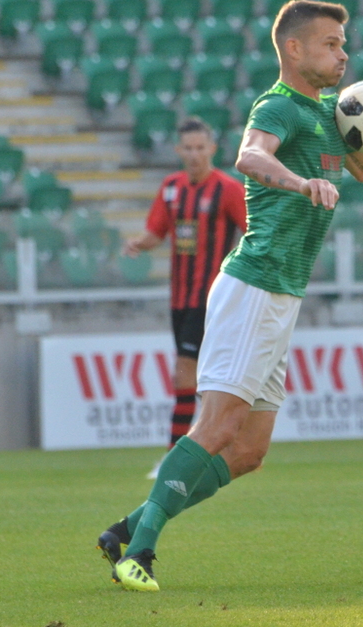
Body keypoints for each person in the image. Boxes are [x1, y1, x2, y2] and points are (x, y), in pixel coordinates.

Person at [96, 0, 363, 592]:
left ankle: (125, 528)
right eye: (333, 44)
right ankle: (142, 553)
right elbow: (250, 155)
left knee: (249, 450)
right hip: (253, 288)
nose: (344, 54)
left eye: (344, 44)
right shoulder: (279, 106)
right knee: (216, 426)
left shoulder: (329, 117)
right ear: (294, 49)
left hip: (281, 296)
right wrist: (297, 180)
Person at [123, 117, 247, 480]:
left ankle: (174, 458)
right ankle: (207, 448)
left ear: (212, 149)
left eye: (200, 147)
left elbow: (250, 231)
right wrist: (138, 243)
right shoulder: (171, 188)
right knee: (202, 379)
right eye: (188, 148)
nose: (194, 154)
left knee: (186, 374)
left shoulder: (227, 189)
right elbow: (155, 232)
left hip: (213, 299)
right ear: (178, 151)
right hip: (179, 298)